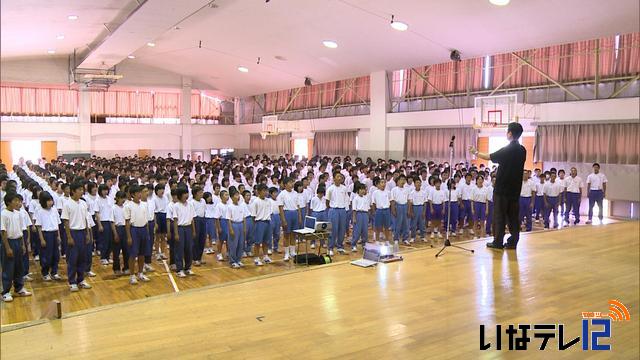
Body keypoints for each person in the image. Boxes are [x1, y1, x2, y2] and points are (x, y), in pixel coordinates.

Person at [469, 122, 526, 249]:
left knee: (499, 216)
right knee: (513, 217)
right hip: (515, 189)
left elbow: (489, 157)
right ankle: (513, 241)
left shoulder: (507, 149)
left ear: (510, 133)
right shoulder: (522, 150)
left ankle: (498, 242)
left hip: (502, 189)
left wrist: (475, 152)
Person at [61, 182, 93, 292]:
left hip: (83, 232)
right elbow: (66, 221)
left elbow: (85, 219)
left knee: (82, 258)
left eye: (82, 189)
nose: (82, 192)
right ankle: (72, 281)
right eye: (79, 189)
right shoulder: (67, 204)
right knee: (72, 259)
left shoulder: (83, 204)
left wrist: (88, 233)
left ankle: (81, 280)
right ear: (73, 191)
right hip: (73, 232)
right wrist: (69, 237)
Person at [2, 193, 32, 302]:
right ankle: (6, 292)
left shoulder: (18, 214)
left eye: (18, 201)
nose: (17, 203)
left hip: (18, 241)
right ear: (9, 202)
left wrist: (23, 244)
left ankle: (19, 288)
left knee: (19, 266)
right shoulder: (4, 214)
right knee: (9, 267)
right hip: (9, 242)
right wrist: (7, 247)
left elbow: (20, 230)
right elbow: (3, 232)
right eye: (15, 200)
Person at [124, 185, 151, 285]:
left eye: (141, 192)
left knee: (142, 254)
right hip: (134, 230)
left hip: (143, 229)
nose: (140, 194)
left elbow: (146, 220)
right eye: (138, 193)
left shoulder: (144, 205)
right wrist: (129, 236)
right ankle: (132, 275)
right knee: (133, 254)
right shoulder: (128, 206)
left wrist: (147, 233)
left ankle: (140, 273)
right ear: (133, 194)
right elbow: (127, 222)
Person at [35, 191, 62, 281]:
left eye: (51, 200)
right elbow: (39, 226)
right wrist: (42, 239)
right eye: (48, 201)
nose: (51, 202)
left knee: (56, 255)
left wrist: (58, 236)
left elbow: (57, 224)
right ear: (43, 201)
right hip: (46, 234)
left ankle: (54, 272)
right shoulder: (40, 211)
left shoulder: (54, 210)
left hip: (54, 233)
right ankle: (45, 273)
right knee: (46, 255)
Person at [173, 187, 196, 277]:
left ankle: (188, 268)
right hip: (180, 228)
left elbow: (192, 219)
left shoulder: (190, 205)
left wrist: (193, 231)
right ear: (180, 195)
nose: (186, 195)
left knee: (189, 249)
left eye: (187, 193)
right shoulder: (176, 206)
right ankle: (179, 269)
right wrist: (176, 233)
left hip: (188, 228)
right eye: (184, 193)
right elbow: (175, 220)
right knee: (179, 249)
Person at [326, 173, 349, 255]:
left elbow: (346, 199)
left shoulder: (344, 188)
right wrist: (332, 209)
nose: (339, 178)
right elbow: (327, 201)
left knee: (342, 229)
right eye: (337, 177)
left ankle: (340, 246)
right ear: (334, 179)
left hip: (342, 210)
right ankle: (330, 247)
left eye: (341, 177)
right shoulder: (330, 189)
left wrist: (345, 209)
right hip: (334, 210)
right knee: (333, 230)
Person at [277, 177, 300, 261]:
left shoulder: (296, 193)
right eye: (290, 183)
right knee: (286, 234)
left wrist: (299, 217)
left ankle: (292, 251)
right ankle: (286, 253)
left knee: (294, 234)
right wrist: (283, 220)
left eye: (292, 182)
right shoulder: (282, 194)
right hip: (287, 213)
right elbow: (280, 207)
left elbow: (298, 206)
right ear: (285, 184)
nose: (292, 184)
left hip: (295, 213)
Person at [250, 184, 272, 266]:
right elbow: (253, 216)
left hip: (267, 222)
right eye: (264, 191)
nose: (266, 192)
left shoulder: (268, 201)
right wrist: (255, 225)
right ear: (259, 192)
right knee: (257, 242)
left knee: (266, 241)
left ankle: (265, 256)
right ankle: (256, 258)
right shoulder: (255, 201)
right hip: (259, 222)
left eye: (266, 191)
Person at [227, 188, 246, 269]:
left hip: (241, 224)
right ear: (231, 197)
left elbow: (244, 217)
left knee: (241, 243)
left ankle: (238, 259)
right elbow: (228, 219)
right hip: (234, 225)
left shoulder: (241, 206)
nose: (237, 196)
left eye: (238, 195)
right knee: (233, 244)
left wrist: (244, 227)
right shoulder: (230, 207)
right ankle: (232, 261)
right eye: (236, 195)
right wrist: (231, 229)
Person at [96, 184, 114, 266]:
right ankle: (103, 257)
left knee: (111, 240)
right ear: (100, 191)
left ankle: (108, 256)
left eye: (106, 190)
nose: (105, 191)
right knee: (104, 241)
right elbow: (97, 213)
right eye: (103, 190)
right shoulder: (97, 200)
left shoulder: (110, 199)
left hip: (110, 221)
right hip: (103, 222)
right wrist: (99, 225)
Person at [111, 191, 128, 276]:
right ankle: (116, 268)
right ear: (117, 198)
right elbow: (112, 222)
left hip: (125, 228)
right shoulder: (113, 208)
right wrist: (115, 234)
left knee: (126, 250)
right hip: (118, 228)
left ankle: (126, 267)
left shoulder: (125, 207)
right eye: (121, 198)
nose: (123, 200)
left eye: (124, 198)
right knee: (116, 251)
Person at [371, 178, 392, 245]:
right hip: (379, 210)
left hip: (386, 210)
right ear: (378, 184)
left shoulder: (388, 192)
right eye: (382, 182)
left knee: (387, 227)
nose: (383, 184)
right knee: (378, 227)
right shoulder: (375, 193)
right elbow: (373, 203)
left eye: (384, 182)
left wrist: (390, 211)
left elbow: (391, 201)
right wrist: (374, 211)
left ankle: (387, 240)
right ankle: (377, 240)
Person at [390, 175, 410, 244]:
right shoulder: (394, 190)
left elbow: (409, 200)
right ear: (398, 181)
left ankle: (405, 238)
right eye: (401, 179)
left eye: (404, 180)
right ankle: (396, 238)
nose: (403, 181)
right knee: (397, 224)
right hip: (398, 206)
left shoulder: (407, 189)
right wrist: (393, 209)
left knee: (406, 224)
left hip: (405, 206)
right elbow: (392, 200)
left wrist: (408, 209)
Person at [350, 183, 370, 252]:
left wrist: (368, 217)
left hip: (365, 214)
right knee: (357, 231)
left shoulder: (366, 198)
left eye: (364, 189)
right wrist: (354, 218)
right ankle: (353, 245)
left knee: (365, 231)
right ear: (358, 190)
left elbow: (368, 209)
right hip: (358, 214)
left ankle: (364, 244)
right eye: (361, 189)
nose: (362, 191)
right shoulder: (355, 198)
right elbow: (354, 210)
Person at [153, 184, 169, 261]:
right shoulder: (154, 199)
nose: (162, 191)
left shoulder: (165, 198)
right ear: (156, 191)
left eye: (163, 189)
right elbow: (154, 212)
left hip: (164, 216)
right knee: (157, 237)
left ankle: (162, 252)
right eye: (160, 189)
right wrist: (155, 222)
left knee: (163, 236)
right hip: (158, 216)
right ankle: (157, 253)